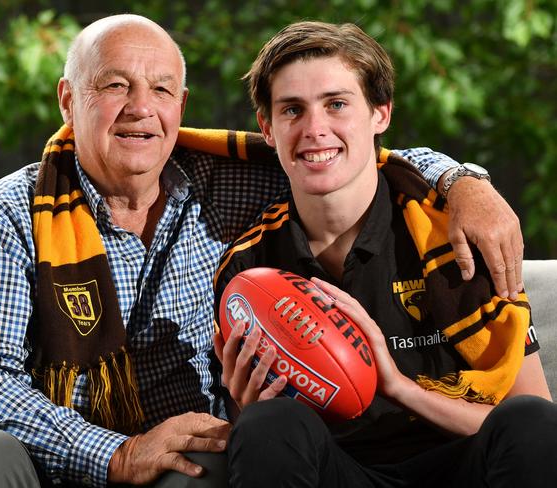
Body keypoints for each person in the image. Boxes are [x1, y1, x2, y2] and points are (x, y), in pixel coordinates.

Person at [0, 13, 527, 488]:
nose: (141, 107)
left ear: (180, 108)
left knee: (221, 452)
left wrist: (465, 183)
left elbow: (352, 159)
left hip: (183, 458)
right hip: (45, 461)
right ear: (67, 100)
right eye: (114, 86)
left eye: (160, 88)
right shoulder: (3, 214)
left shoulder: (223, 183)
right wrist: (117, 454)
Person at [213, 21, 556, 487]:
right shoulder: (247, 266)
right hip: (341, 471)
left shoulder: (456, 230)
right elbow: (262, 440)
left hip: (462, 466)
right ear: (267, 128)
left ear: (381, 114)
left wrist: (394, 385)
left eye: (336, 104)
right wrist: (245, 408)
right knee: (264, 427)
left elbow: (534, 415)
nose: (315, 129)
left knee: (530, 422)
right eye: (293, 110)